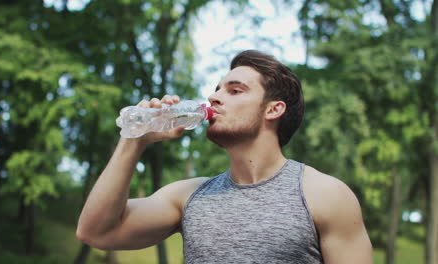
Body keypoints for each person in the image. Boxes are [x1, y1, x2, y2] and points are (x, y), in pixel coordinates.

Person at [76, 50, 373, 263]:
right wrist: (133, 141)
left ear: (273, 109)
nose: (214, 97)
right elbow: (97, 232)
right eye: (217, 89)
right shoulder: (188, 196)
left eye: (235, 90)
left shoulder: (325, 195)